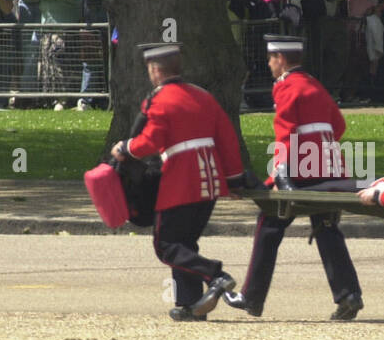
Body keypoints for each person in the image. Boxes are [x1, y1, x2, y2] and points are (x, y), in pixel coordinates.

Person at [224, 35, 364, 320]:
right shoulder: (316, 86)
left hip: (301, 169)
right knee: (325, 227)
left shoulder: (286, 87)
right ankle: (349, 294)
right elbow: (339, 125)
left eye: (271, 59)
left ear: (282, 60)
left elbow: (285, 134)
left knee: (269, 224)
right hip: (329, 168)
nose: (269, 64)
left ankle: (252, 296)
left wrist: (280, 172)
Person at [109, 42, 245, 321]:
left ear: (155, 70)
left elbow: (152, 140)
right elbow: (228, 141)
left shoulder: (161, 99)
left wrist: (126, 147)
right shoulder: (203, 96)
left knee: (166, 245)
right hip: (209, 182)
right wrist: (233, 180)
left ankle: (216, 275)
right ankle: (190, 304)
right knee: (185, 243)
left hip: (181, 181)